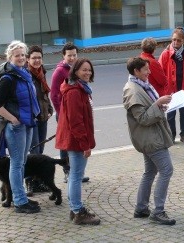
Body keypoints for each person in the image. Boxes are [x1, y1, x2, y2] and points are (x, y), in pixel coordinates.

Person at [123, 57, 176, 225]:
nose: (149, 72)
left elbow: (148, 111)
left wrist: (159, 106)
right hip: (151, 139)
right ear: (136, 71)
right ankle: (158, 211)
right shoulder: (133, 91)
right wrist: (158, 104)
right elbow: (144, 118)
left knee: (150, 172)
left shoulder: (139, 86)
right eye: (146, 69)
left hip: (150, 137)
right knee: (166, 170)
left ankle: (141, 208)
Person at [0, 40, 41, 213]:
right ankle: (20, 202)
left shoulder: (24, 73)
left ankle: (21, 198)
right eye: (17, 55)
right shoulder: (8, 78)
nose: (20, 58)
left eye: (22, 55)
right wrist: (13, 119)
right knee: (17, 164)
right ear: (10, 57)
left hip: (28, 124)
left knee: (22, 162)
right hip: (16, 127)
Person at [55, 58, 100, 225]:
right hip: (76, 140)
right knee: (76, 175)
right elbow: (76, 121)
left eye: (89, 70)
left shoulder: (81, 88)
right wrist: (85, 144)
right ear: (75, 71)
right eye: (84, 70)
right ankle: (77, 211)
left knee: (75, 174)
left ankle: (75, 209)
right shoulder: (74, 91)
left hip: (75, 139)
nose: (87, 72)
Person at [50, 42, 89, 183]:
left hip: (76, 111)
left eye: (74, 55)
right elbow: (54, 95)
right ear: (63, 56)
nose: (72, 58)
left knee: (77, 142)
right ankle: (67, 171)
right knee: (66, 144)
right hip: (64, 114)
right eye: (69, 55)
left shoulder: (78, 69)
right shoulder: (59, 72)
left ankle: (77, 171)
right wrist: (61, 114)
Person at [159, 27, 184, 144]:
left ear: (183, 40)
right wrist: (164, 87)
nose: (176, 43)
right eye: (174, 40)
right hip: (170, 90)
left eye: (178, 40)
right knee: (170, 114)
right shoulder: (166, 53)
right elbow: (160, 71)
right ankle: (171, 136)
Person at [25, 45, 54, 196]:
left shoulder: (41, 73)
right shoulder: (26, 75)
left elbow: (44, 94)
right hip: (31, 119)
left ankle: (38, 182)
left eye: (39, 58)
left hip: (43, 116)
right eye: (34, 58)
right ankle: (30, 182)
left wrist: (49, 109)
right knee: (33, 151)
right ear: (28, 59)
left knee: (40, 150)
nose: (37, 60)